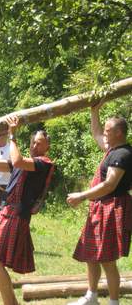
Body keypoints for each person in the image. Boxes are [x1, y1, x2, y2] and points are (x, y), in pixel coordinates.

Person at [0, 116, 54, 305]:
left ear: (47, 148)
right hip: (4, 212)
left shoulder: (43, 163)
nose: (36, 146)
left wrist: (12, 135)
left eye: (40, 143)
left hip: (16, 215)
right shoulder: (23, 162)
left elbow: (18, 160)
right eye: (34, 142)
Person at [66, 103, 132, 305]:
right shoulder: (112, 149)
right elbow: (95, 133)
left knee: (107, 260)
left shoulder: (123, 154)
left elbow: (109, 185)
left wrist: (81, 195)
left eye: (108, 130)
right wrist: (94, 111)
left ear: (119, 133)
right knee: (91, 254)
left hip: (111, 207)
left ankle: (114, 302)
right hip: (100, 208)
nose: (104, 133)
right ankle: (92, 296)